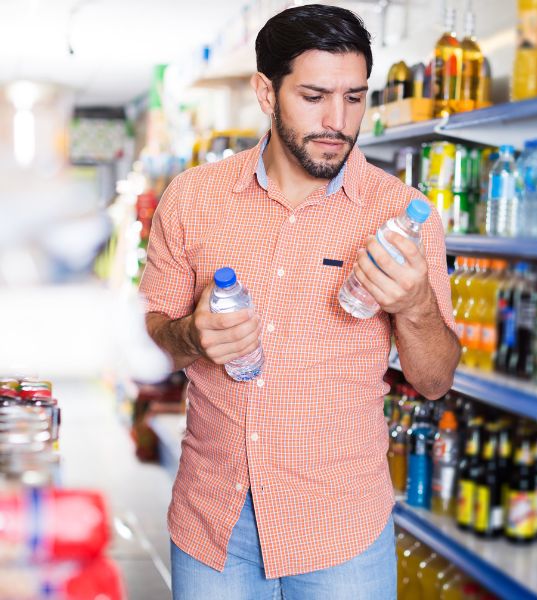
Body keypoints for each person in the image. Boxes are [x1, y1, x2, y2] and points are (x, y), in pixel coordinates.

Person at [138, 5, 460, 598]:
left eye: (354, 98)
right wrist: (191, 336)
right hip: (216, 519)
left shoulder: (401, 214)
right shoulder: (192, 199)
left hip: (342, 527)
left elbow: (435, 381)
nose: (338, 121)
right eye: (314, 96)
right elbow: (149, 337)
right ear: (266, 91)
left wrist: (414, 305)